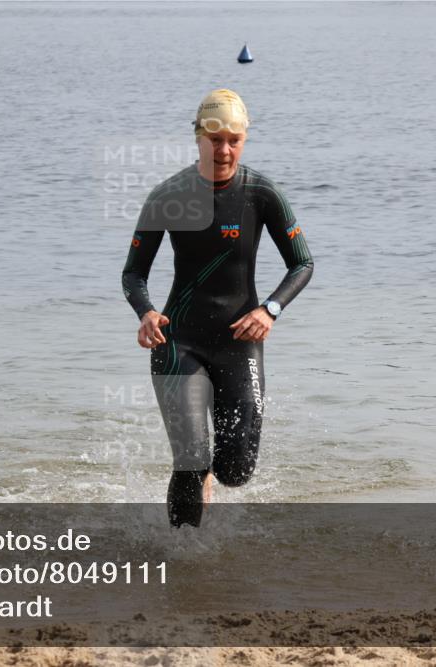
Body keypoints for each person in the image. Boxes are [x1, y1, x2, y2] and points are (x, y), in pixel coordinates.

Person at [121, 89, 314, 528]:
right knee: (190, 457)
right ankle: (182, 558)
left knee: (236, 470)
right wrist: (146, 313)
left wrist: (270, 309)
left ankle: (211, 476)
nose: (223, 149)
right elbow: (133, 274)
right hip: (178, 341)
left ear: (244, 139)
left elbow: (302, 263)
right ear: (197, 137)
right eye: (214, 139)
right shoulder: (168, 194)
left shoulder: (262, 193)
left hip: (239, 342)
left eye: (233, 139)